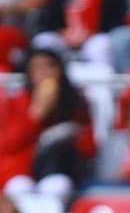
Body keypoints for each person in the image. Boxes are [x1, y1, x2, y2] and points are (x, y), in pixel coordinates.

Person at [0, 47, 96, 204]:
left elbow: (90, 148)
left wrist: (71, 135)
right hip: (21, 170)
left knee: (57, 187)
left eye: (50, 66)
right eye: (37, 68)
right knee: (20, 188)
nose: (45, 73)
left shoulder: (75, 103)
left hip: (60, 170)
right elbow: (8, 147)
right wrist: (36, 116)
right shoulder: (17, 102)